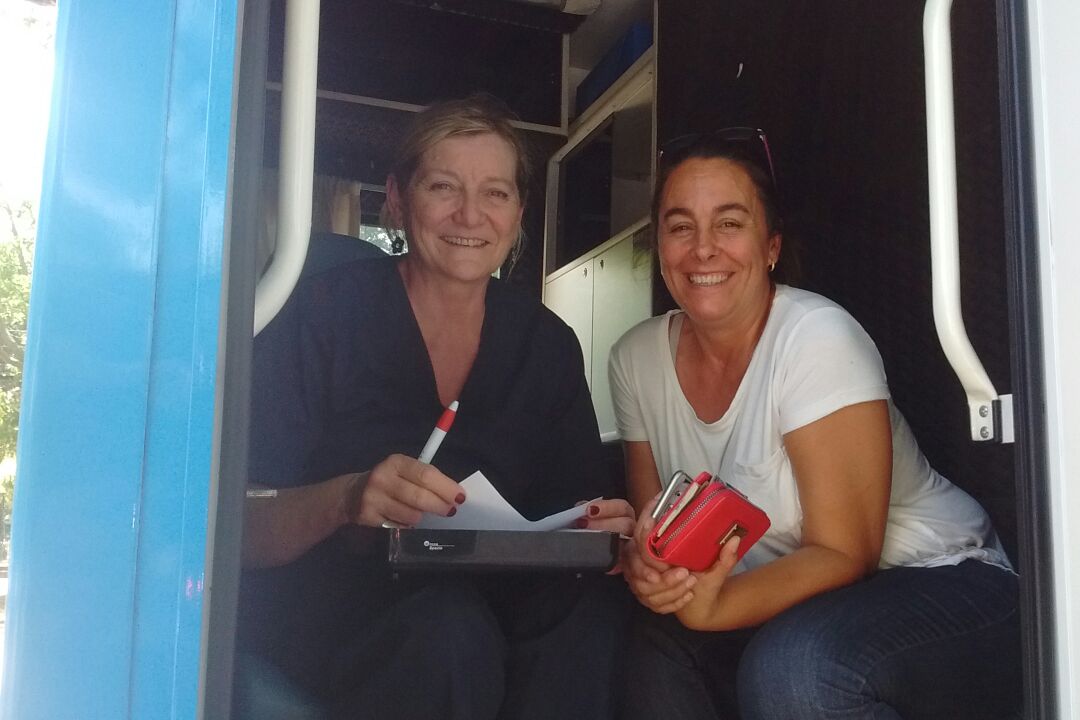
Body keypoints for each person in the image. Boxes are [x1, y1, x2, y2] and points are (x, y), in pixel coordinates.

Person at [236, 95, 635, 720]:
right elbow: (235, 524)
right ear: (397, 199)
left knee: (594, 615)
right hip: (347, 614)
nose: (470, 214)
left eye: (495, 193)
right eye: (444, 186)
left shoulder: (546, 342)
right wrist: (347, 498)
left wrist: (601, 527)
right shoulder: (320, 312)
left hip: (501, 604)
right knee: (449, 629)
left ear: (518, 212)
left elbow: (575, 513)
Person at [609, 129, 1022, 720]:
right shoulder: (635, 359)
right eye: (680, 227)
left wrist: (712, 609)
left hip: (940, 579)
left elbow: (845, 553)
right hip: (792, 597)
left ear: (771, 247)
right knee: (653, 645)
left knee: (797, 670)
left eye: (729, 223)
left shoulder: (815, 338)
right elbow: (662, 537)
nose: (703, 249)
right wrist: (650, 571)